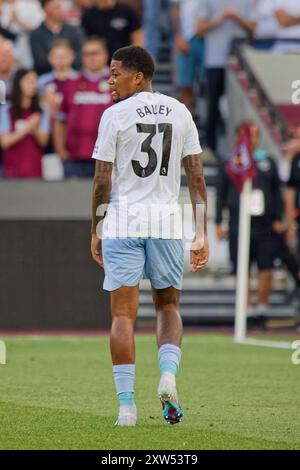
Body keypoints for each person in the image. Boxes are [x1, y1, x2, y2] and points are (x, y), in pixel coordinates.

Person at [91, 46, 209, 426]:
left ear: (137, 76)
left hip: (123, 223)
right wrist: (201, 232)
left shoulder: (114, 115)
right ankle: (168, 376)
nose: (109, 81)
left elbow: (102, 179)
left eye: (115, 74)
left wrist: (96, 227)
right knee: (169, 308)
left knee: (123, 316)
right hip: (166, 223)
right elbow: (196, 176)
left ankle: (126, 408)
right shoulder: (180, 111)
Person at [216, 122, 284, 314]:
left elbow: (276, 191)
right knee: (241, 269)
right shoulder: (231, 163)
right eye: (249, 135)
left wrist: (279, 217)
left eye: (255, 135)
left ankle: (261, 309)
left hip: (265, 224)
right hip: (238, 222)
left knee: (266, 267)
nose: (252, 139)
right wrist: (219, 221)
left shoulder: (267, 161)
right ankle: (245, 309)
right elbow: (221, 193)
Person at [198, 0, 257, 155]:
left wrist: (236, 17)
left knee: (241, 107)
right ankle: (211, 147)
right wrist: (221, 19)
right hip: (215, 60)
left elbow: (254, 29)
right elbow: (200, 29)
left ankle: (243, 149)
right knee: (213, 106)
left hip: (240, 61)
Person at [53, 37, 113, 178]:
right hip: (74, 157)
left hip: (107, 158)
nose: (90, 58)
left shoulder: (116, 84)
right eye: (86, 54)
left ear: (105, 55)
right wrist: (61, 150)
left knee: (104, 200)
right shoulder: (71, 84)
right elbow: (59, 119)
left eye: (95, 53)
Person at [0, 68, 50, 178]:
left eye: (34, 81)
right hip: (12, 168)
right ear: (19, 83)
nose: (33, 85)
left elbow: (43, 141)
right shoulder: (6, 109)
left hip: (34, 167)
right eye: (29, 81)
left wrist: (35, 129)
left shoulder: (42, 110)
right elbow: (5, 142)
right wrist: (29, 126)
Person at [30, 0, 83, 75]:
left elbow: (81, 54)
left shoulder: (74, 30)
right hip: (47, 77)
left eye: (60, 7)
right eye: (55, 7)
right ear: (45, 9)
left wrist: (64, 64)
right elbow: (39, 61)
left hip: (74, 75)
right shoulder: (36, 34)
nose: (60, 10)